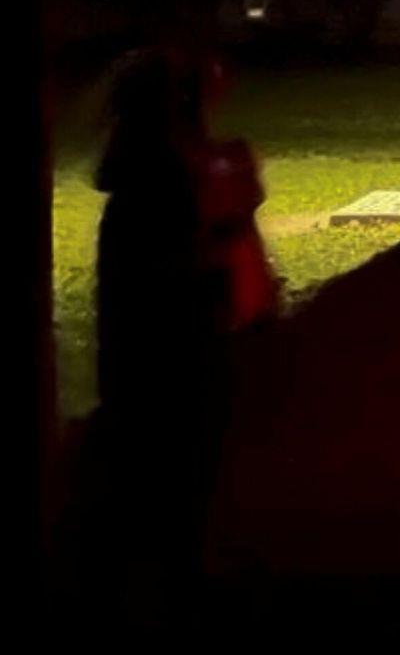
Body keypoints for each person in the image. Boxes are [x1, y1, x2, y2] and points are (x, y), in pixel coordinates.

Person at [88, 40, 277, 614]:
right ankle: (173, 586)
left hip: (159, 349)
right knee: (177, 470)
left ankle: (168, 574)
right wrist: (231, 220)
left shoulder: (155, 164)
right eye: (191, 86)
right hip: (173, 351)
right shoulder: (159, 177)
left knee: (171, 469)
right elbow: (179, 263)